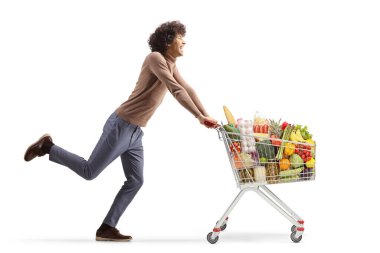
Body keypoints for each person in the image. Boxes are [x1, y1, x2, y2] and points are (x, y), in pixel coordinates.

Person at [24, 20, 218, 242]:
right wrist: (198, 117)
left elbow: (187, 89)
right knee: (90, 171)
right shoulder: (155, 58)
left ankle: (106, 228)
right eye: (179, 37)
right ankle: (48, 147)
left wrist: (205, 114)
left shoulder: (172, 64)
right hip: (121, 125)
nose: (184, 41)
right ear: (167, 41)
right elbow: (175, 90)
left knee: (136, 180)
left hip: (135, 133)